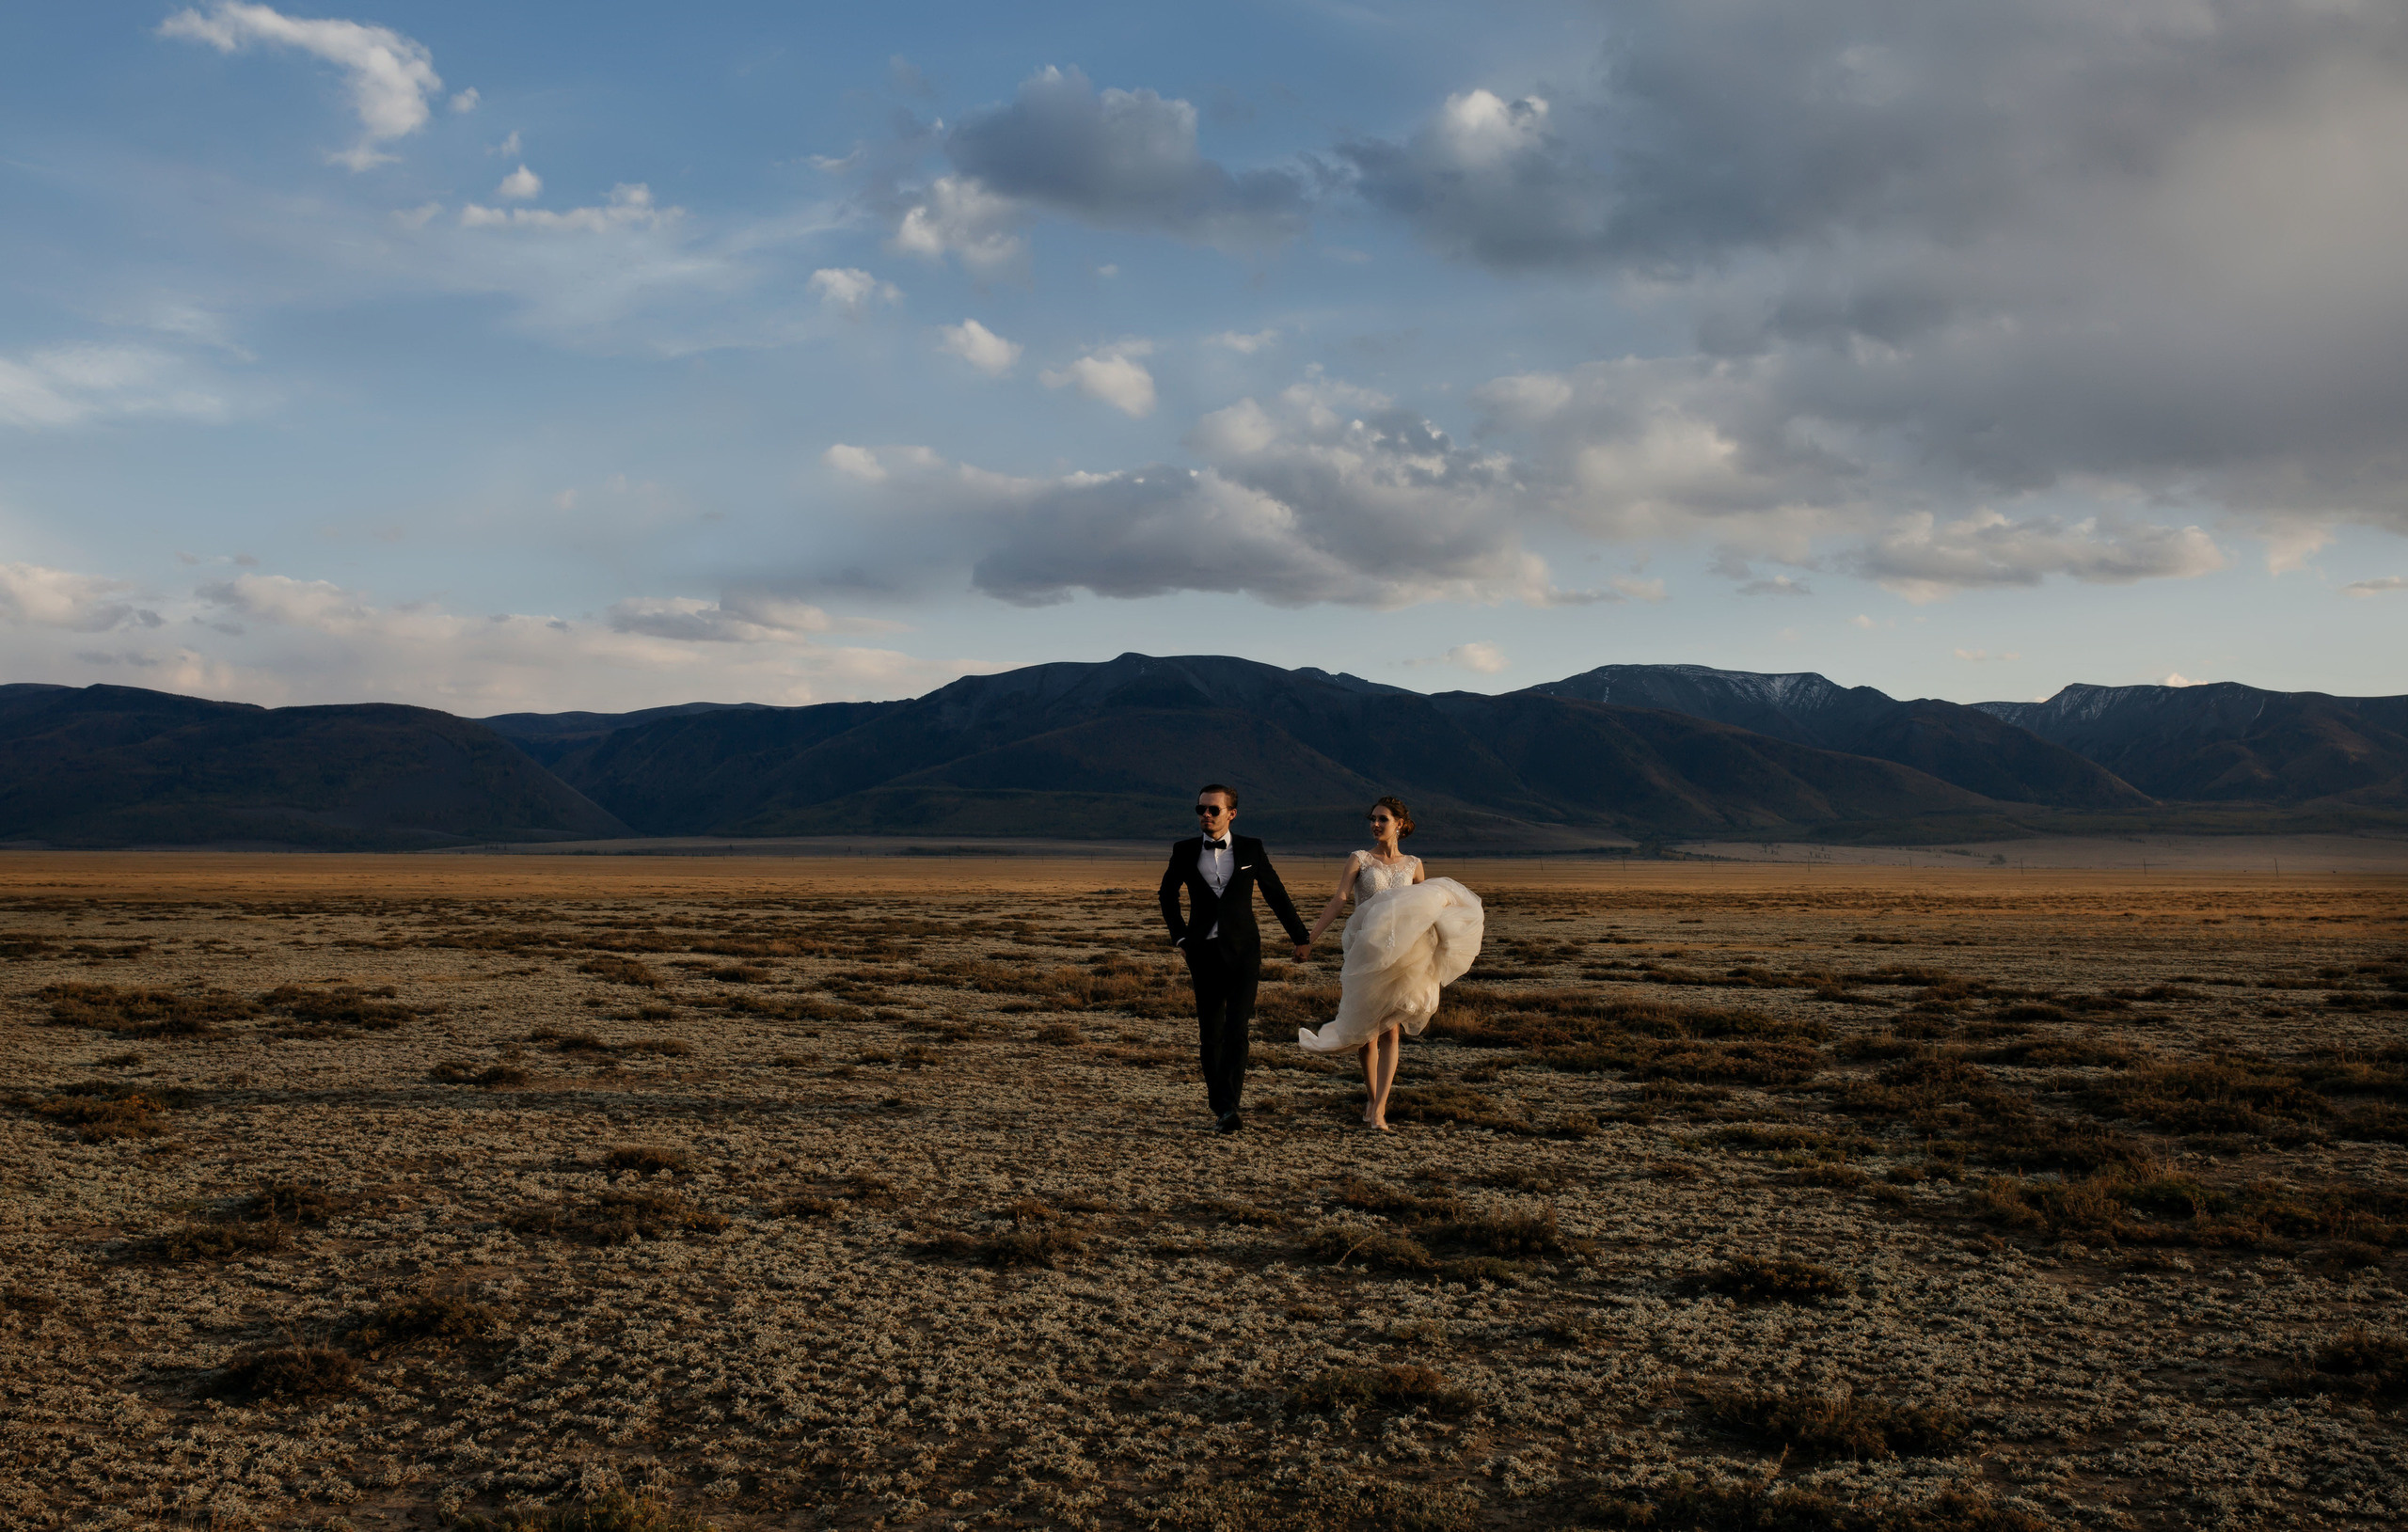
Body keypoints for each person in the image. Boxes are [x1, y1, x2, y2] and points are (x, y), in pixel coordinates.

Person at [1298, 797, 1484, 1130]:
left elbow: (1427, 908)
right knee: (1366, 1032)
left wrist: (1444, 941)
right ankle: (1371, 1099)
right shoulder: (1360, 859)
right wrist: (1310, 938)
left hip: (1404, 955)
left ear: (1399, 824)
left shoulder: (1414, 864)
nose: (1375, 824)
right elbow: (1340, 899)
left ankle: (1380, 1109)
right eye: (1373, 818)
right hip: (1365, 952)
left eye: (1382, 819)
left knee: (1391, 1032)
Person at [1159, 783, 1311, 1134]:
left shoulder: (1251, 848)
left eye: (1213, 810)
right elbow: (1167, 894)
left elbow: (1275, 894)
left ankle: (1231, 1106)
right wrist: (1180, 936)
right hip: (1203, 953)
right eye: (1201, 810)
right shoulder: (1183, 850)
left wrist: (1300, 938)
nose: (1206, 816)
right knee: (1210, 1034)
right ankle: (1221, 1105)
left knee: (1237, 1029)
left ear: (1232, 813)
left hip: (1243, 953)